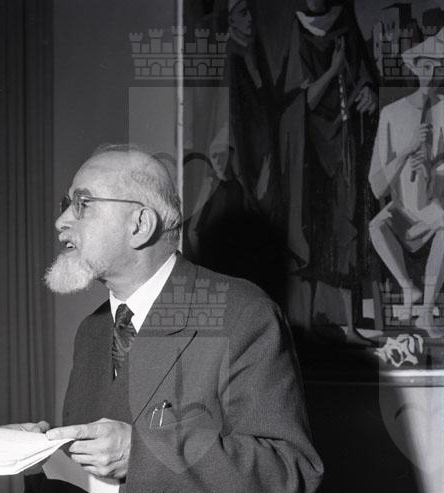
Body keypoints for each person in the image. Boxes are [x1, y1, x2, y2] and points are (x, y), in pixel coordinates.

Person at [21, 145, 323, 493]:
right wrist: (41, 454)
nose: (61, 222)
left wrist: (140, 456)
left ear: (140, 224)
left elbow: (289, 470)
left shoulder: (242, 314)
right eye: (65, 204)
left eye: (82, 204)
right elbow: (100, 472)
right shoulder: (93, 332)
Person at [279, 0, 377, 343]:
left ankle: (349, 326)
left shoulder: (345, 23)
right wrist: (333, 70)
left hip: (344, 145)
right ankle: (307, 324)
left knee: (347, 226)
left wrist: (368, 90)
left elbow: (363, 74)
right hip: (311, 150)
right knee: (311, 231)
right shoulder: (294, 30)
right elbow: (301, 100)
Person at [187, 0, 286, 303]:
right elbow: (226, 118)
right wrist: (239, 166)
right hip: (240, 167)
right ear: (229, 20)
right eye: (243, 12)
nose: (251, 18)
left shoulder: (251, 56)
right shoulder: (231, 59)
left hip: (254, 163)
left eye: (251, 11)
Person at [368, 28, 444, 337]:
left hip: (434, 206)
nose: (432, 75)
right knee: (376, 226)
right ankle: (407, 288)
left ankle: (426, 312)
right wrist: (405, 150)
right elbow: (377, 186)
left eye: (439, 68)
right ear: (415, 68)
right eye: (426, 66)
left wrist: (432, 167)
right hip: (404, 210)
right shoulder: (392, 113)